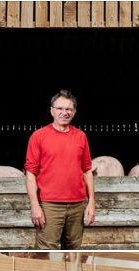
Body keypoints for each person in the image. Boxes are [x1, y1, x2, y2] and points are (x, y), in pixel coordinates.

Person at [24, 89, 96, 250]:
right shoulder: (39, 136)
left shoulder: (80, 137)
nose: (64, 112)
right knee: (46, 249)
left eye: (69, 109)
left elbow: (87, 170)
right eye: (60, 109)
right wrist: (35, 206)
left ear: (74, 112)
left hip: (77, 205)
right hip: (49, 205)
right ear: (52, 110)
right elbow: (30, 174)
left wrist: (91, 202)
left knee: (73, 250)